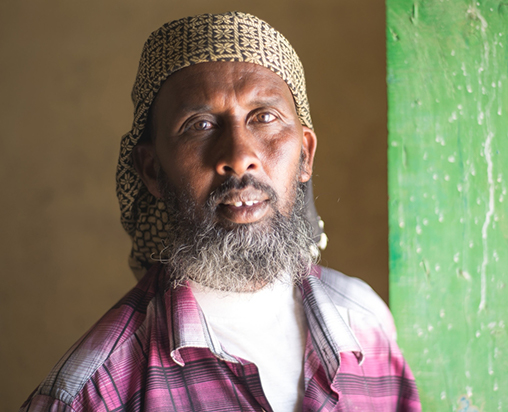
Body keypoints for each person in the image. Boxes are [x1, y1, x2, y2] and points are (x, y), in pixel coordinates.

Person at [20, 12, 420, 411]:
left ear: (305, 155)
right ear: (152, 170)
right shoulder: (93, 394)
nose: (240, 156)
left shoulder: (365, 328)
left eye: (264, 118)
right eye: (200, 125)